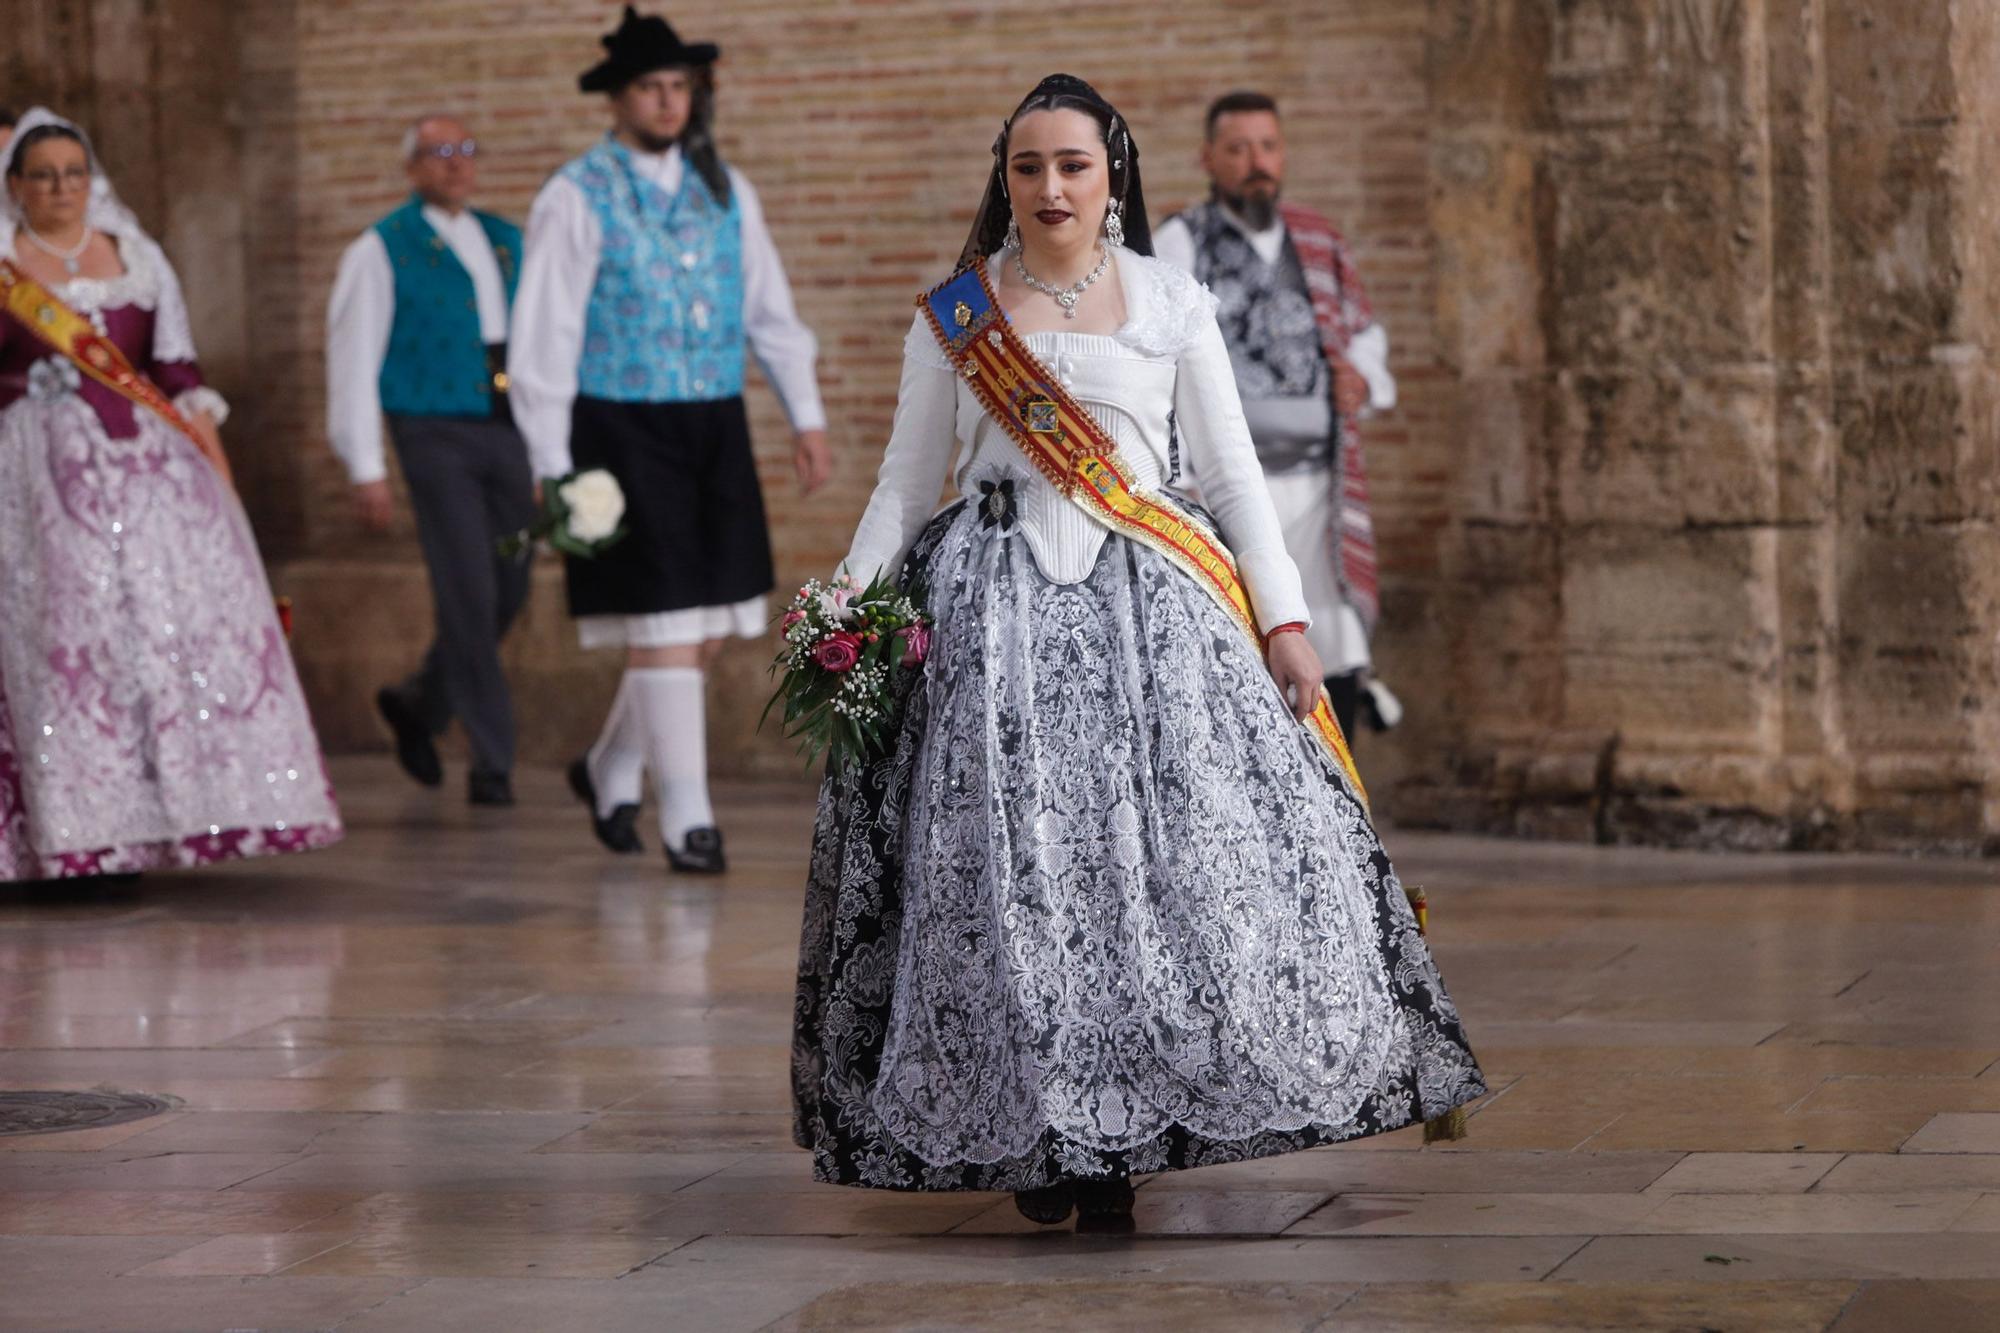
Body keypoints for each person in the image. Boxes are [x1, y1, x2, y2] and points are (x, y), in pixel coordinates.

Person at [790, 75, 1483, 1227]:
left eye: (1071, 163)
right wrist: (841, 609)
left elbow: (1229, 480)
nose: (1049, 186)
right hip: (987, 624)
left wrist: (1284, 621)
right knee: (1009, 879)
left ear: (1111, 171)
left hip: (1153, 613)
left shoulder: (1170, 302)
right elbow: (906, 487)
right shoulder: (958, 312)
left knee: (1151, 880)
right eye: (1026, 167)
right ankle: (1039, 1129)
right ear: (1003, 180)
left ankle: (1124, 1135)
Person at [510, 7, 830, 873]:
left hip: (712, 421)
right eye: (651, 87)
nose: (667, 101)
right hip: (616, 424)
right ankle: (686, 813)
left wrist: (805, 412)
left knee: (710, 622)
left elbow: (768, 309)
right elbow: (543, 338)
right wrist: (550, 462)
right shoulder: (575, 195)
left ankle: (612, 761)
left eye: (679, 87)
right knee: (662, 616)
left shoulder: (727, 188)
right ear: (617, 99)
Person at [0, 108, 341, 880]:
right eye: (44, 175)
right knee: (67, 642)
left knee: (152, 639)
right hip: (34, 482)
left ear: (93, 180)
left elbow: (177, 374)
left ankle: (158, 824)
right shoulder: (5, 263)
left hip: (150, 480)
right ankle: (75, 831)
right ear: (16, 186)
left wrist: (219, 480)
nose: (61, 187)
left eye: (74, 173)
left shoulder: (137, 255)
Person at [1154, 91, 1400, 741]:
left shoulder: (1319, 239)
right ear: (1208, 157)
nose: (1255, 162)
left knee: (1335, 634)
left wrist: (1362, 377)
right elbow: (1158, 351)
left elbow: (1367, 334)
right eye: (1237, 149)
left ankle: (1344, 793)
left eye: (1267, 146)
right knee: (1244, 631)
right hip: (1226, 487)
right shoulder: (1181, 241)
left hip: (1320, 485)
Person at [326, 113, 533, 807]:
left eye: (465, 150)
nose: (455, 164)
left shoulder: (507, 240)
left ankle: (421, 701)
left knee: (512, 581)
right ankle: (492, 755)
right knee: (466, 588)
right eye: (438, 153)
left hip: (510, 425)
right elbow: (351, 358)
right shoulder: (383, 248)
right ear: (411, 167)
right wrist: (364, 463)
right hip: (431, 428)